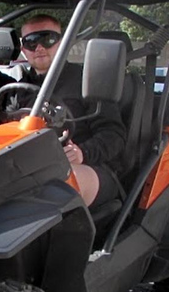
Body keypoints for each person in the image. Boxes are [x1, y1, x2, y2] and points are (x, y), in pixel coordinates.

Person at [18, 14, 127, 207]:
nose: (39, 48)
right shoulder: (17, 89)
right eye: (31, 42)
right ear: (23, 48)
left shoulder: (87, 82)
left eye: (47, 39)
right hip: (33, 166)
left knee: (57, 186)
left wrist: (82, 153)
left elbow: (114, 135)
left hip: (88, 165)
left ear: (62, 42)